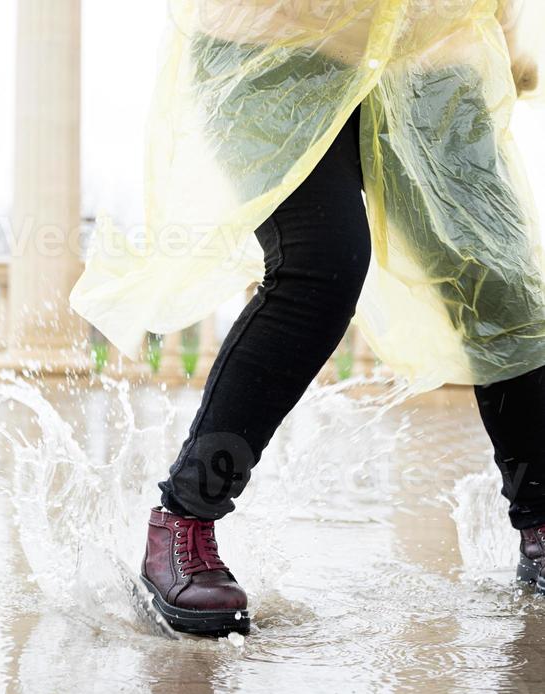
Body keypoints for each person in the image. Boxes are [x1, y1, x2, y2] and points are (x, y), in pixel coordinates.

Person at [71, 1, 545, 636]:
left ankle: (542, 526)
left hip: (433, 57)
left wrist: (506, 31)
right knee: (320, 267)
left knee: (501, 285)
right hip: (277, 44)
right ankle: (182, 523)